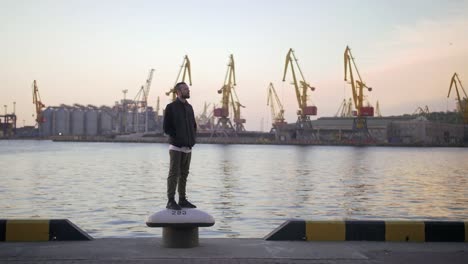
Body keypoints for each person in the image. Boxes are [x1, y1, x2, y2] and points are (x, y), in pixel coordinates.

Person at [163, 82, 197, 210]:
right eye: (184, 89)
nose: (188, 90)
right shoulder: (171, 107)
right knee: (174, 174)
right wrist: (178, 138)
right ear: (178, 92)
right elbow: (166, 128)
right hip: (176, 147)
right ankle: (171, 201)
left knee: (184, 174)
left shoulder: (190, 108)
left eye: (188, 89)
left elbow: (194, 126)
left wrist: (192, 139)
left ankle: (182, 199)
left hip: (188, 148)